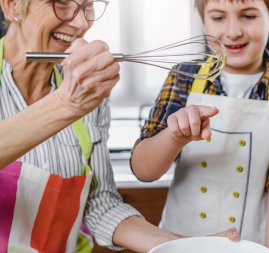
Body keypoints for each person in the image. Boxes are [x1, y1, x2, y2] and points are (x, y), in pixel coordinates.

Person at [0, 0, 239, 252]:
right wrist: (66, 104)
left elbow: (100, 204)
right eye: (62, 3)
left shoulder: (87, 92)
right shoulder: (75, 96)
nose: (81, 22)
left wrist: (185, 246)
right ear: (12, 6)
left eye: (87, 6)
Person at [131, 0, 269, 252]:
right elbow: (144, 170)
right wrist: (175, 136)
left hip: (251, 245)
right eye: (218, 18)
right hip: (178, 244)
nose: (233, 31)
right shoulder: (184, 76)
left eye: (248, 16)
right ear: (203, 20)